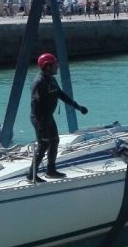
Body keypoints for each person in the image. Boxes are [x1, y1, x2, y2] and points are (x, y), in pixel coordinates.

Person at [29, 53, 88, 181]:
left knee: (54, 141)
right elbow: (35, 105)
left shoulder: (51, 79)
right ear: (48, 66)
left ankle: (51, 170)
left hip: (48, 117)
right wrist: (41, 125)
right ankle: (31, 175)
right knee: (43, 145)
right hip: (40, 118)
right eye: (55, 64)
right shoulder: (39, 83)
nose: (57, 66)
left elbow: (61, 95)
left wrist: (78, 106)